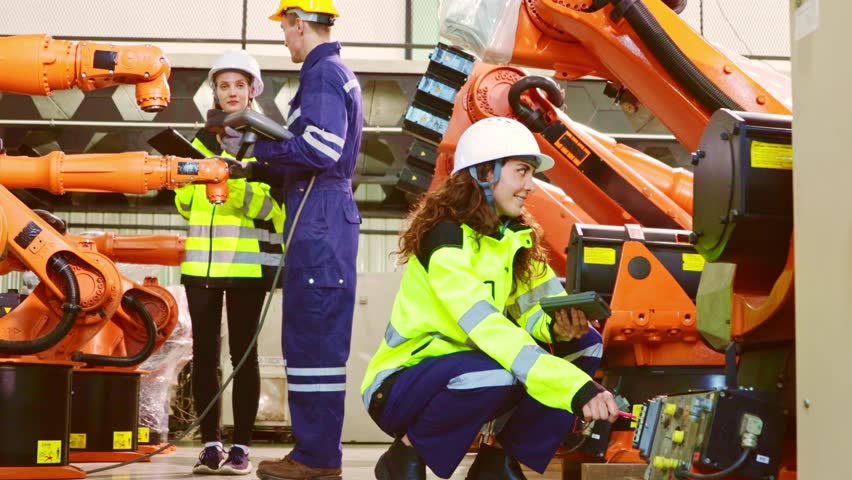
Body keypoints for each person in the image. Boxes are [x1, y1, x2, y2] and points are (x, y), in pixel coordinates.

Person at [360, 117, 621, 480]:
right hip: (401, 383)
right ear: (485, 172)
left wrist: (557, 328)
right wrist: (575, 388)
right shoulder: (446, 239)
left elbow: (537, 311)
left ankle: (497, 461)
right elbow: (487, 328)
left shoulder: (515, 239)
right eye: (522, 172)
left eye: (532, 174)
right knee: (498, 372)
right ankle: (404, 455)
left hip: (471, 370)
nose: (531, 185)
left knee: (585, 343)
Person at [225, 2, 363, 479]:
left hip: (319, 217)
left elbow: (322, 148)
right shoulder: (334, 72)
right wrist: (254, 168)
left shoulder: (322, 74)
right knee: (312, 341)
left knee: (314, 341)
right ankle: (315, 452)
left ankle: (317, 458)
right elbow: (315, 153)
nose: (284, 38)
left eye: (285, 29)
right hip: (321, 213)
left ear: (299, 24)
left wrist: (257, 146)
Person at [174, 49, 285, 476]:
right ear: (215, 92)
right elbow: (185, 205)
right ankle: (210, 445)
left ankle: (240, 447)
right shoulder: (198, 141)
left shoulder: (271, 143)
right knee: (204, 356)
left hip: (246, 266)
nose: (232, 92)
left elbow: (273, 209)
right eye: (224, 85)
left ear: (253, 90)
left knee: (243, 357)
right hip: (200, 266)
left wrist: (232, 182)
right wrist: (191, 182)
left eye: (240, 84)